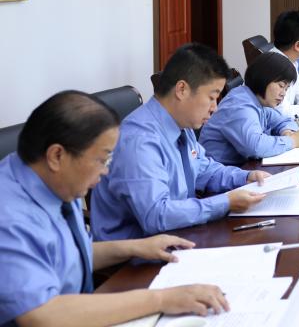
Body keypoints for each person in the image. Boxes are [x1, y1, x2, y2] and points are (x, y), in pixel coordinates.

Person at [0, 91, 231, 326]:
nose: (105, 171)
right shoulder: (9, 216)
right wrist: (161, 299)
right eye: (101, 160)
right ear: (57, 155)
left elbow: (68, 256)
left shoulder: (53, 180)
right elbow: (42, 314)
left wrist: (135, 247)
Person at [91, 43, 270, 241]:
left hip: (179, 234)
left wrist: (246, 178)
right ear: (182, 89)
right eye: (212, 97)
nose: (215, 108)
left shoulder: (182, 126)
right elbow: (156, 216)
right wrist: (225, 202)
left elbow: (204, 169)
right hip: (137, 252)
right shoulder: (139, 141)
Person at [200, 52, 299, 166]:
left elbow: (284, 120)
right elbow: (254, 147)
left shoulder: (258, 101)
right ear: (264, 78)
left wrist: (286, 132)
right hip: (217, 172)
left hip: (240, 168)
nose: (283, 93)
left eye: (286, 89)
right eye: (281, 86)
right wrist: (293, 141)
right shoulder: (240, 105)